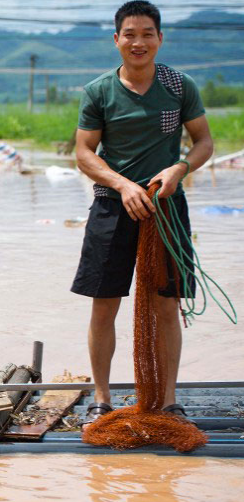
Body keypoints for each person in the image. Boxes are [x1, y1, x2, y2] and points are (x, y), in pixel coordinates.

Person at [71, 1, 214, 426]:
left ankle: (168, 400)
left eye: (147, 34)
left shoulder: (179, 85)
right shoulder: (99, 90)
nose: (138, 42)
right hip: (113, 207)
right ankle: (101, 397)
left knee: (166, 305)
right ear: (117, 40)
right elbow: (83, 152)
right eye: (129, 34)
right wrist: (122, 184)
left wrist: (180, 167)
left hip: (167, 208)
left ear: (159, 39)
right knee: (104, 304)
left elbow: (204, 142)